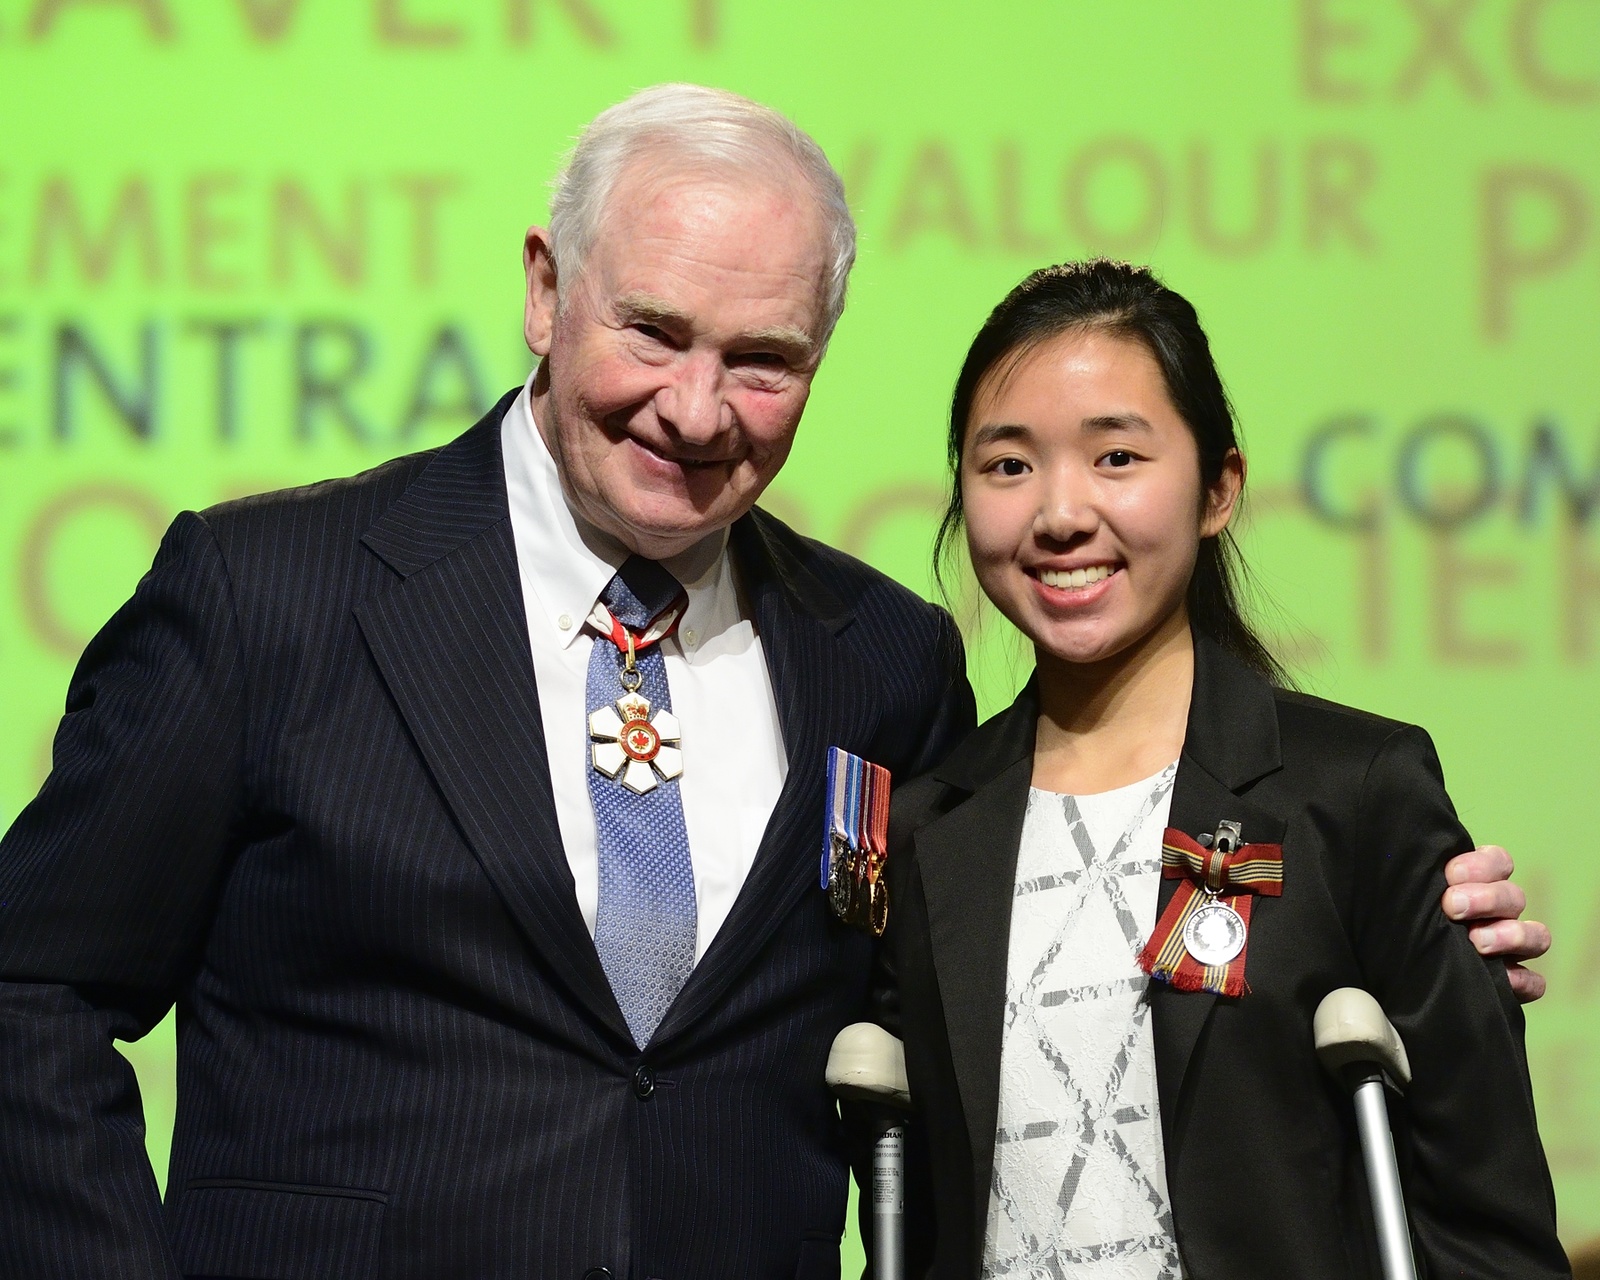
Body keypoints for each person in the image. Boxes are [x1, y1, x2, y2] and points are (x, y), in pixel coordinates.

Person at [0, 88, 1542, 1280]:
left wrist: (1411, 921)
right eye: (651, 331)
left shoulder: (879, 661)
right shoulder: (271, 593)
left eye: (762, 359)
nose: (694, 408)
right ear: (544, 290)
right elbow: (34, 991)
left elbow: (983, 1002)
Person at [871, 260, 1568, 1279]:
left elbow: (1487, 1225)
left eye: (1115, 456)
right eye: (1008, 465)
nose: (1059, 513)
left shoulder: (1354, 790)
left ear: (1218, 489)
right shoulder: (929, 827)